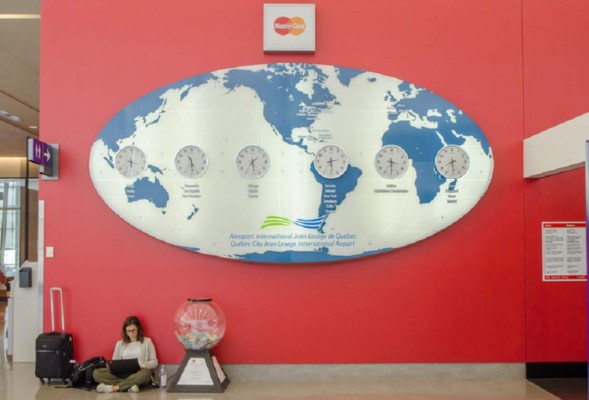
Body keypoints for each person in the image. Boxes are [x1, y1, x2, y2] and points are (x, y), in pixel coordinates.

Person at [93, 315, 158, 393]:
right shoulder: (120, 343)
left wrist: (142, 364)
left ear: (138, 329)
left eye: (133, 330)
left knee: (147, 373)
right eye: (128, 331)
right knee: (96, 373)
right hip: (122, 373)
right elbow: (114, 362)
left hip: (139, 373)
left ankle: (114, 388)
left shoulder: (147, 342)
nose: (131, 334)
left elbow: (154, 362)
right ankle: (130, 386)